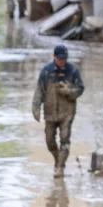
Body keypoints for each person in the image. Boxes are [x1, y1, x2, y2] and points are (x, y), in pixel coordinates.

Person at [31, 44, 84, 178]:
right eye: (60, 58)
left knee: (65, 140)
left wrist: (69, 91)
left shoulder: (73, 71)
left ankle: (60, 167)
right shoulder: (46, 71)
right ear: (54, 57)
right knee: (49, 141)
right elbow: (39, 91)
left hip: (67, 113)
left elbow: (80, 89)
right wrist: (35, 108)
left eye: (64, 58)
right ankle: (57, 159)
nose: (62, 61)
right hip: (50, 113)